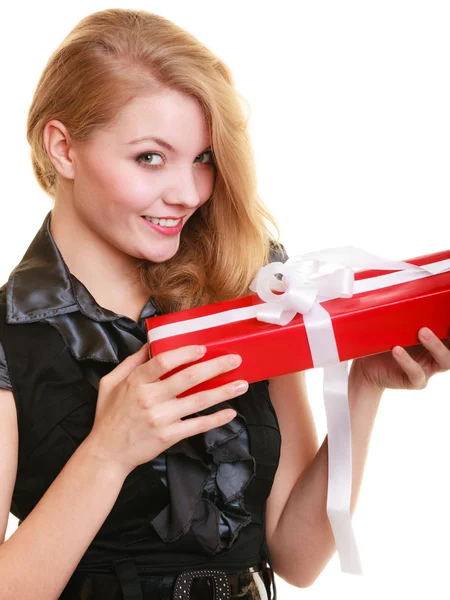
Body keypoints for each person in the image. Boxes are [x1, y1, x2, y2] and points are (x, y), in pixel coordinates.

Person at [0, 8, 449, 600]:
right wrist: (107, 453)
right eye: (150, 157)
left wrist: (363, 386)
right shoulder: (12, 340)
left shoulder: (246, 284)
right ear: (62, 148)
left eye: (203, 158)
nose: (188, 193)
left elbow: (297, 556)